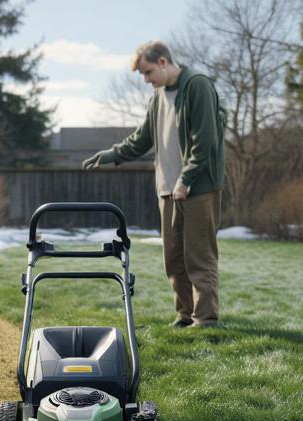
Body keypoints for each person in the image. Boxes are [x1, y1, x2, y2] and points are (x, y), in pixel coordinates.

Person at [83, 41, 226, 328]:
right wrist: (112, 154)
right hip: (167, 189)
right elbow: (142, 138)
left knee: (199, 256)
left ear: (162, 62)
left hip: (197, 188)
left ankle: (206, 319)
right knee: (174, 260)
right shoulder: (159, 96)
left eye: (148, 72)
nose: (146, 80)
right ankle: (185, 315)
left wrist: (186, 179)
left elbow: (205, 140)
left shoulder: (197, 85)